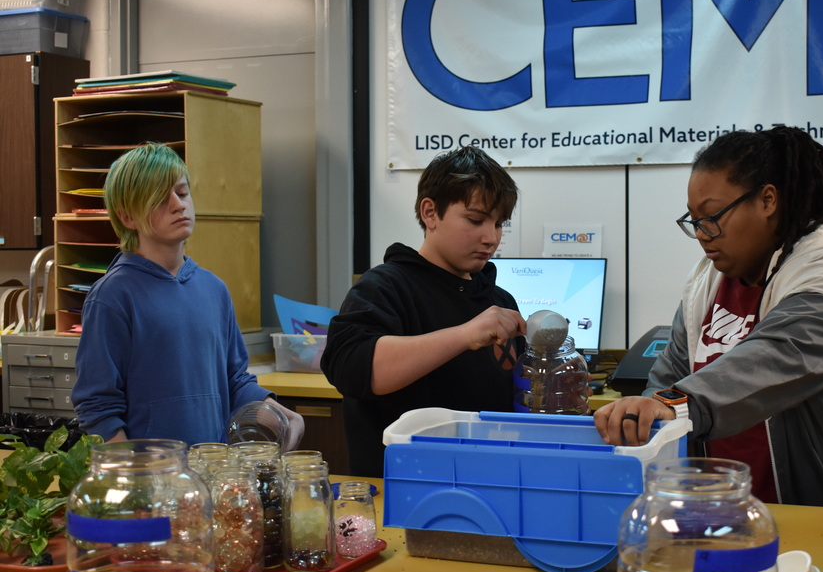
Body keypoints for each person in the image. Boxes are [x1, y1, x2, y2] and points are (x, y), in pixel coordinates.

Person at [594, 126, 823, 509]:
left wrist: (674, 403)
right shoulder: (708, 281)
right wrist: (646, 413)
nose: (701, 235)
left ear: (767, 200)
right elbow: (671, 377)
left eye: (711, 216)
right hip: (749, 517)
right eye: (693, 221)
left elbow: (778, 358)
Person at [72, 142, 304, 450]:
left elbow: (235, 381)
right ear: (127, 217)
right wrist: (132, 480)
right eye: (159, 199)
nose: (178, 205)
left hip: (212, 471)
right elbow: (97, 405)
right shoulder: (113, 296)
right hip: (152, 481)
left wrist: (279, 414)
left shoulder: (214, 289)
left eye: (182, 193)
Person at [321, 145, 526, 477]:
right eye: (475, 220)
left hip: (489, 483)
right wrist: (464, 335)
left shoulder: (499, 300)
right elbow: (353, 369)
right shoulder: (384, 288)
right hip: (405, 490)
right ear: (430, 213)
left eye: (499, 224)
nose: (491, 237)